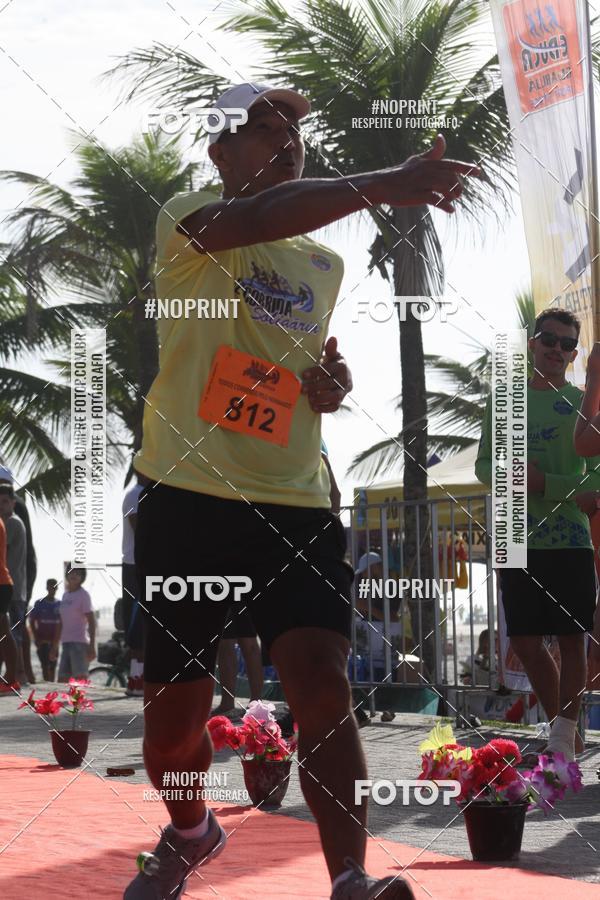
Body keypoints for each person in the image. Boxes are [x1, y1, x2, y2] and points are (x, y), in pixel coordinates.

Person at [126, 81, 477, 900]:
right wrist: (387, 183)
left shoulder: (324, 260)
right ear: (219, 150)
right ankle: (189, 829)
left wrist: (327, 381)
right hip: (187, 497)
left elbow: (295, 362)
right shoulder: (192, 219)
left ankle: (350, 878)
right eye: (264, 128)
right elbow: (256, 220)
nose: (287, 140)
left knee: (322, 679)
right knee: (173, 725)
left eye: (293, 131)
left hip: (295, 501)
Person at [476, 308, 600, 761]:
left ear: (574, 353)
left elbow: (598, 478)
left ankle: (562, 742)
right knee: (525, 642)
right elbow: (483, 465)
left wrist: (547, 483)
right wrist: (511, 477)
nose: (556, 348)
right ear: (532, 343)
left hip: (569, 534)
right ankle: (564, 732)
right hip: (513, 531)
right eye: (549, 339)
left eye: (567, 344)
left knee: (572, 639)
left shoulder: (584, 402)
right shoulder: (504, 401)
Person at [0, 465, 38, 684]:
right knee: (11, 629)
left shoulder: (12, 518)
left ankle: (16, 675)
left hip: (12, 581)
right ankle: (18, 675)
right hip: (14, 580)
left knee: (12, 630)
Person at [122, 474, 149, 696]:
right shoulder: (134, 494)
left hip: (146, 566)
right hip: (135, 566)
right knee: (135, 624)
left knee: (144, 624)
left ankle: (138, 679)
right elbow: (140, 530)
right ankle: (135, 680)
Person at [0, 484, 28, 685]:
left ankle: (15, 677)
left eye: (5, 502)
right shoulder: (9, 522)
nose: (1, 506)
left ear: (13, 502)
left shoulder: (11, 523)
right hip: (13, 585)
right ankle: (14, 677)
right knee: (8, 632)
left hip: (10, 585)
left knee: (10, 633)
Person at [50, 567, 96, 681]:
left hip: (80, 644)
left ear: (82, 577)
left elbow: (91, 620)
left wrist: (92, 646)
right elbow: (61, 622)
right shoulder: (65, 595)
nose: (74, 575)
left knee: (80, 682)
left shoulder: (83, 595)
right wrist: (55, 647)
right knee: (62, 680)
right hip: (65, 644)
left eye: (78, 573)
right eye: (71, 572)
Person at [0, 514, 18, 694]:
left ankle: (12, 679)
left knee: (3, 631)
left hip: (1, 583)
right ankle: (9, 678)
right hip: (3, 583)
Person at [29, 578, 61, 681]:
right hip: (42, 641)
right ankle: (46, 683)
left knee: (53, 666)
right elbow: (32, 621)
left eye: (54, 586)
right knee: (44, 665)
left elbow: (62, 624)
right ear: (47, 587)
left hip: (54, 642)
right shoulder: (39, 603)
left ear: (57, 588)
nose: (52, 589)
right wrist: (36, 637)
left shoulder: (60, 604)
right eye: (50, 586)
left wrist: (57, 641)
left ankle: (51, 684)